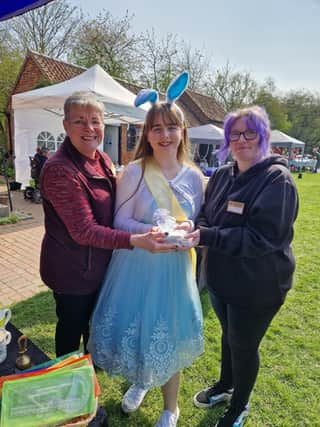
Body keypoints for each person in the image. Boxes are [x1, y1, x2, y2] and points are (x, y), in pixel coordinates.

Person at [88, 73, 204, 427]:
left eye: (172, 127)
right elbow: (120, 220)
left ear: (182, 131)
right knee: (139, 330)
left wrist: (186, 231)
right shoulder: (135, 171)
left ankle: (171, 408)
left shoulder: (195, 177)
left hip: (173, 270)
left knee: (166, 334)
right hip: (136, 264)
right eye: (157, 128)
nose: (165, 135)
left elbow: (193, 223)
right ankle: (141, 381)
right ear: (146, 133)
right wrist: (149, 234)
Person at [40, 91, 174, 358]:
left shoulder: (102, 160)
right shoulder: (61, 170)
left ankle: (92, 368)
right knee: (71, 329)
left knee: (95, 323)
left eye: (95, 121)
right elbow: (83, 230)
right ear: (66, 125)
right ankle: (67, 378)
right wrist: (136, 240)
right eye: (79, 121)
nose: (89, 128)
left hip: (99, 265)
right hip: (73, 271)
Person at [188, 106, 298, 427]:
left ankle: (239, 406)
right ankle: (225, 385)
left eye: (250, 132)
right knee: (228, 335)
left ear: (263, 136)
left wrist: (207, 234)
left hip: (258, 285)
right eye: (234, 133)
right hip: (222, 279)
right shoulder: (222, 174)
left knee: (244, 345)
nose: (242, 139)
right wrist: (198, 227)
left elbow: (262, 239)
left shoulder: (277, 180)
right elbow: (207, 213)